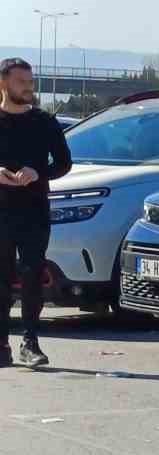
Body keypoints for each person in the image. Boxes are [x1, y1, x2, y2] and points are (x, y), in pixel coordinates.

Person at [0, 58, 72, 369]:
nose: (28, 87)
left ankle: (31, 343)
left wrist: (37, 171)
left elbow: (63, 163)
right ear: (3, 83)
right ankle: (1, 345)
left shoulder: (44, 121)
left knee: (31, 277)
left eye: (31, 82)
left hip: (33, 211)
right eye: (21, 82)